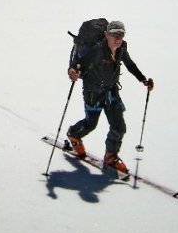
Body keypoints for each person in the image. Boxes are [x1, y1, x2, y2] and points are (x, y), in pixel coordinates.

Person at [66, 20, 154, 172]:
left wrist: (143, 79)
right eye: (114, 35)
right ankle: (74, 134)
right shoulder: (97, 49)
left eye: (121, 34)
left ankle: (111, 156)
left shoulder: (122, 48)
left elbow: (129, 64)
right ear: (106, 35)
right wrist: (72, 72)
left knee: (119, 127)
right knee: (90, 124)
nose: (118, 38)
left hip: (111, 92)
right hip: (93, 92)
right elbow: (78, 64)